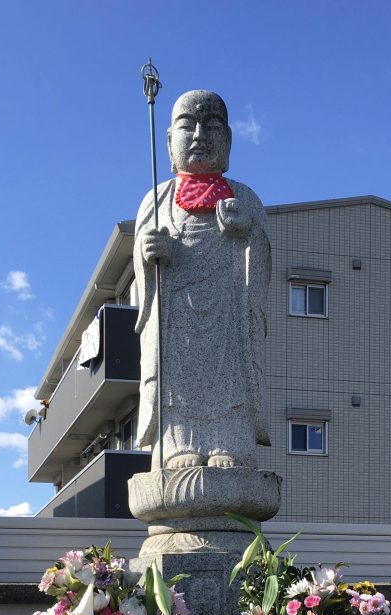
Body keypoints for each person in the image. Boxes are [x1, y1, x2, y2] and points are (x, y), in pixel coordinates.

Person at [133, 90, 271, 470]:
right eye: (186, 126)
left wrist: (247, 234)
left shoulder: (244, 198)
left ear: (227, 140)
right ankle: (178, 442)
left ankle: (230, 440)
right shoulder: (157, 199)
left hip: (228, 315)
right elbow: (141, 277)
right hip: (176, 317)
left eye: (211, 127)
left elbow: (262, 266)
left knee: (231, 377)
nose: (198, 136)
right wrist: (149, 253)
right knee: (175, 378)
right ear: (168, 141)